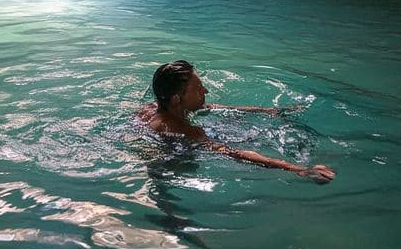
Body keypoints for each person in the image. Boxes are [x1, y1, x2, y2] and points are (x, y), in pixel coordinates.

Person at [136, 60, 335, 183]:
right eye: (199, 89)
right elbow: (233, 153)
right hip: (169, 164)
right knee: (193, 165)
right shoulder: (189, 132)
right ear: (177, 100)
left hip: (148, 143)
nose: (206, 91)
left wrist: (266, 111)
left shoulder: (153, 107)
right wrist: (296, 169)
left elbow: (211, 107)